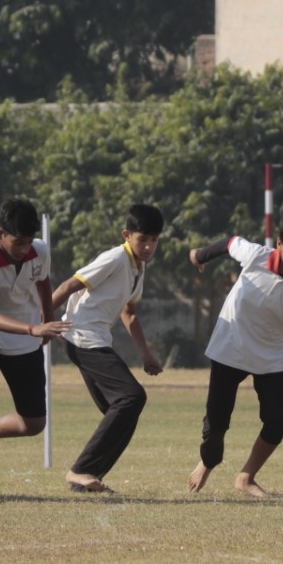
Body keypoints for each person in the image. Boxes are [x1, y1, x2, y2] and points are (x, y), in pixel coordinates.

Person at [186, 210, 283, 498]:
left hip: (271, 356)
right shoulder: (256, 255)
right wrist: (201, 255)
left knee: (278, 419)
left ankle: (246, 477)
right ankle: (208, 462)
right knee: (216, 426)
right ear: (279, 243)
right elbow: (229, 242)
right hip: (230, 347)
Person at [49, 203, 166, 494]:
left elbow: (130, 313)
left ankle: (87, 479)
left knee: (122, 409)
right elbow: (68, 286)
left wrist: (146, 353)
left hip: (95, 339)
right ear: (127, 235)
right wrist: (39, 323)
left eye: (154, 240)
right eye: (143, 240)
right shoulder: (115, 258)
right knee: (131, 397)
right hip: (83, 337)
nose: (149, 246)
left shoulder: (139, 268)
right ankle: (81, 470)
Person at [0, 198, 69, 497]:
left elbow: (44, 283)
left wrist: (47, 319)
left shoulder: (39, 251)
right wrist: (35, 327)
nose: (24, 249)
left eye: (29, 241)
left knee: (34, 423)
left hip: (23, 340)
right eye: (18, 242)